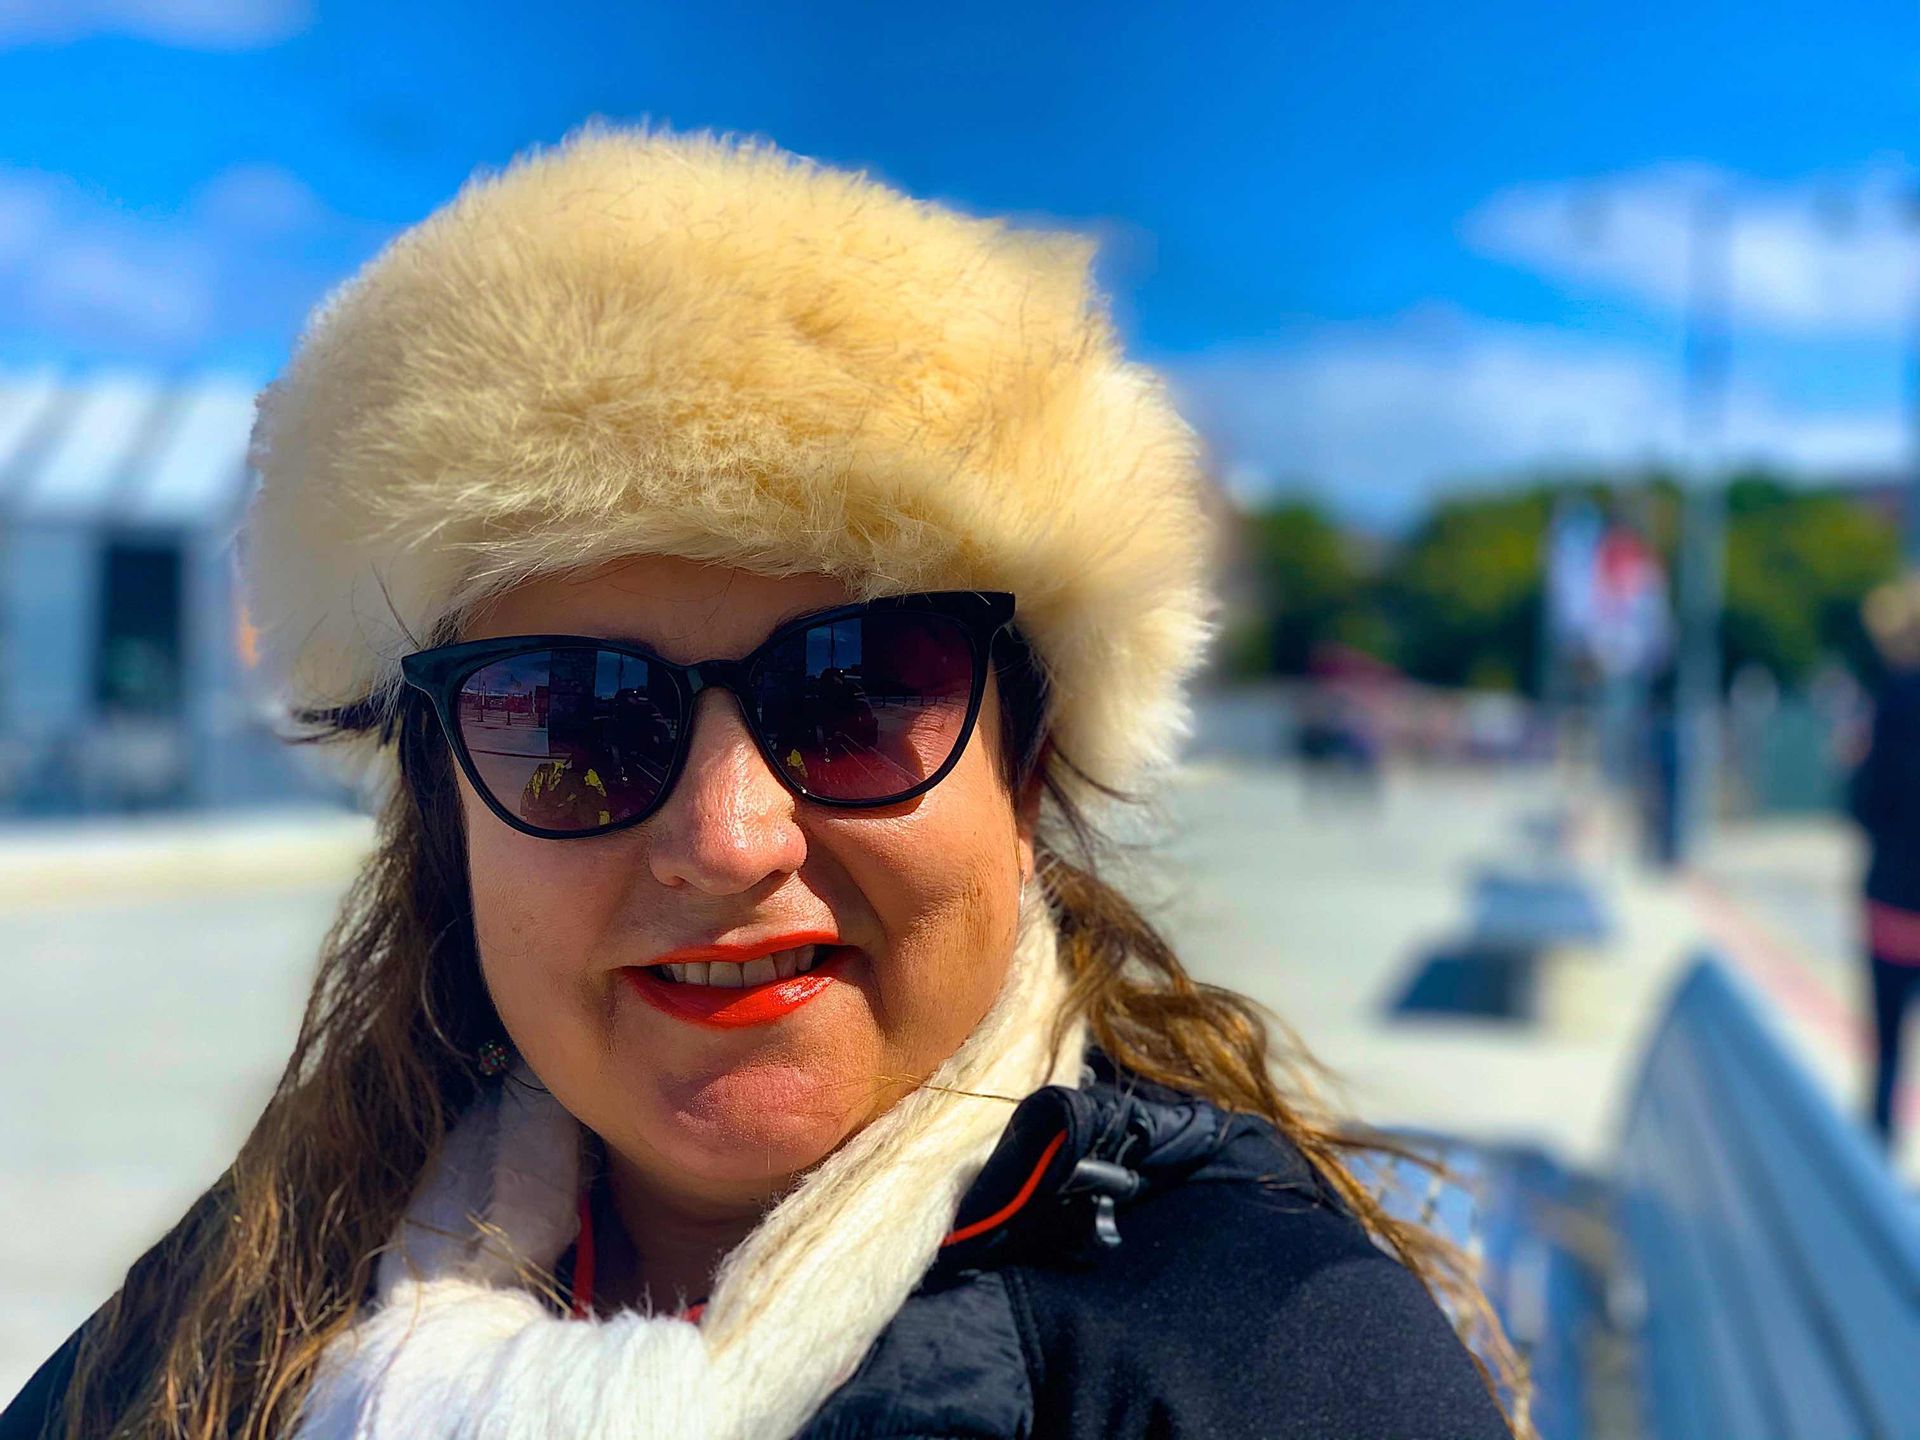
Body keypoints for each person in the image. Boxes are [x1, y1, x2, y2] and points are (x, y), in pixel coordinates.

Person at [1, 127, 1520, 1439]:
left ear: (1027, 774)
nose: (727, 839)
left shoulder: (1277, 1366)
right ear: (443, 814)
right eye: (575, 718)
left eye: (856, 695)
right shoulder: (231, 1322)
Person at [1849, 576, 1920, 1150]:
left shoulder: (1893, 699)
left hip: (1894, 899)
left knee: (1887, 1048)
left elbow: (1865, 804)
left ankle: (1876, 1161)